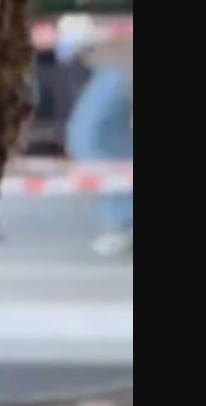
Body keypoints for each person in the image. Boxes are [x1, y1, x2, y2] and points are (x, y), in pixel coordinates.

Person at [56, 17, 134, 257]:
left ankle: (124, 221)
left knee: (91, 138)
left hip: (118, 63)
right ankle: (124, 221)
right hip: (112, 62)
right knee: (98, 140)